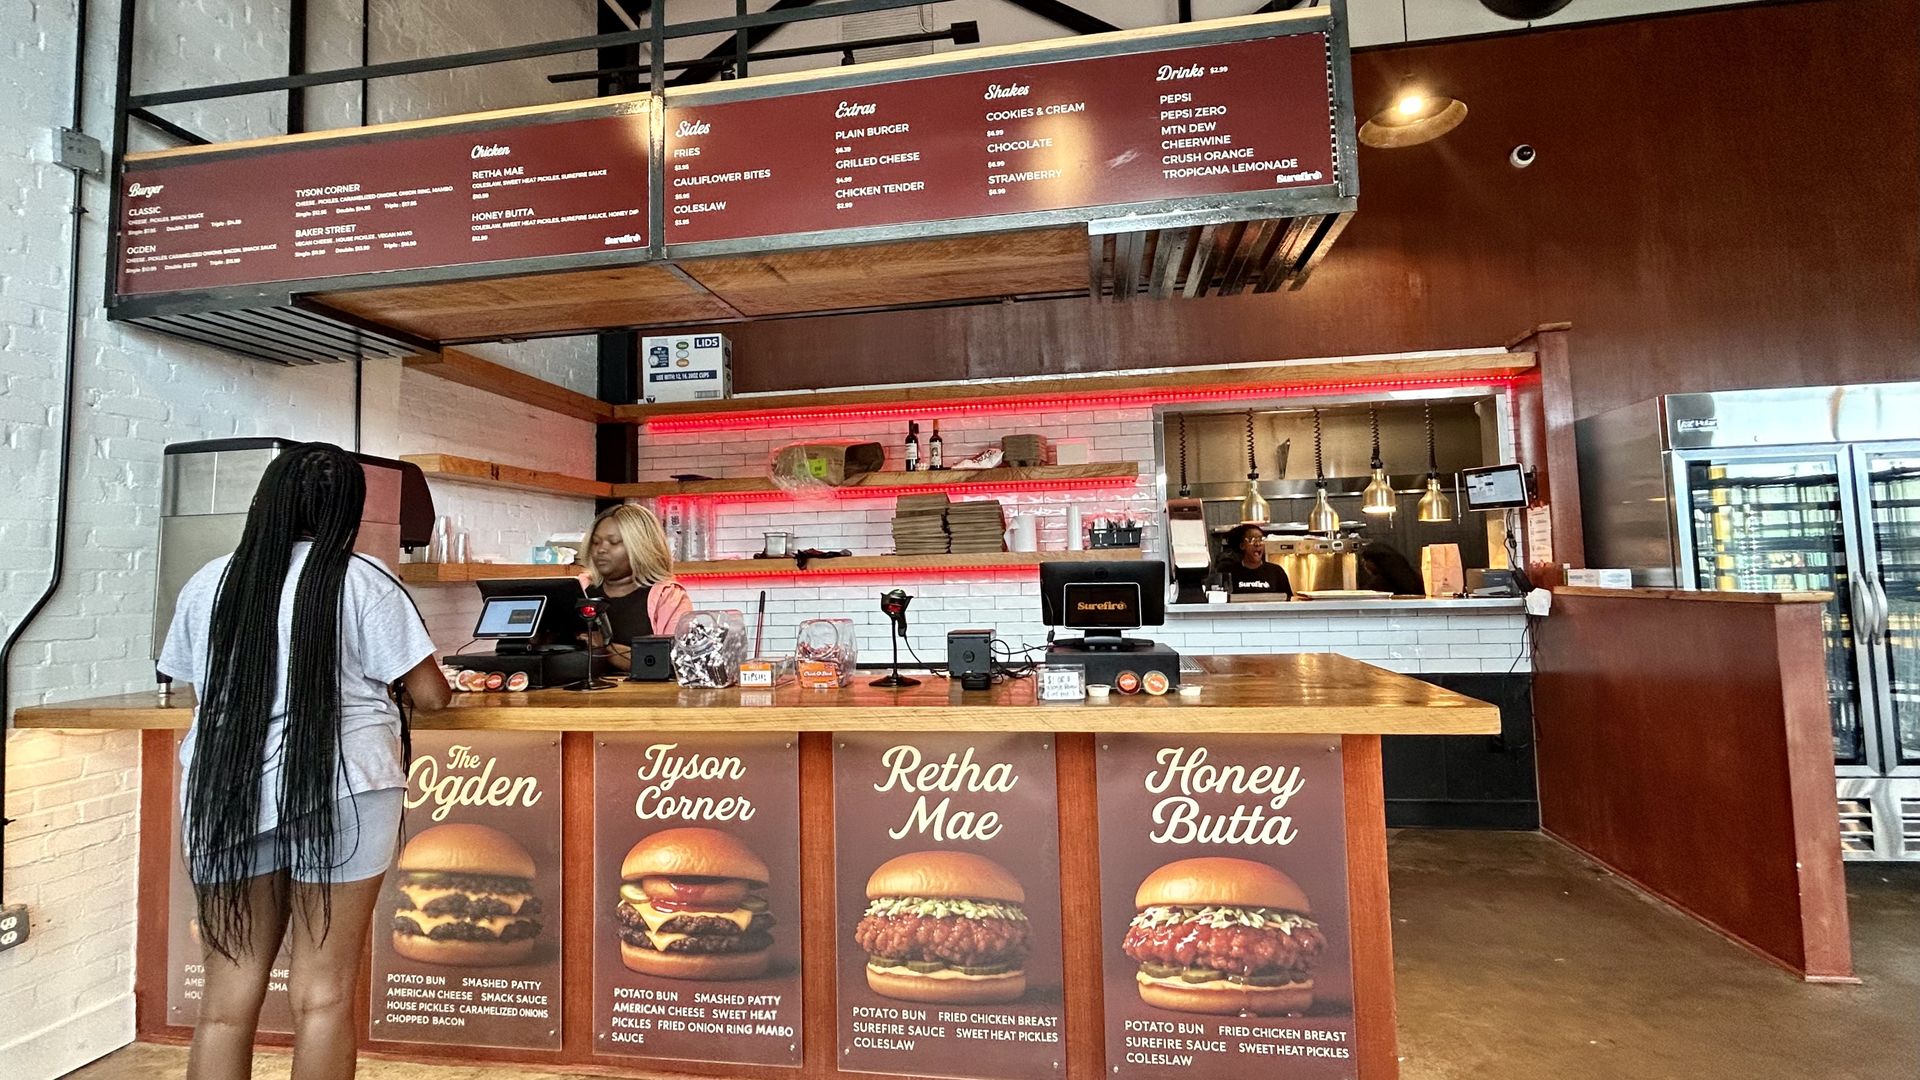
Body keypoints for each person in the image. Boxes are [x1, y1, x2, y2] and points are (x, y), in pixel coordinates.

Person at [157, 443, 450, 1080]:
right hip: (345, 787)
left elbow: (190, 682)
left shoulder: (210, 581)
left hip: (226, 791)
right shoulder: (365, 581)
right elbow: (431, 695)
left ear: (267, 502)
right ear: (348, 509)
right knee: (324, 995)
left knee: (226, 1004)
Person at [582, 504, 694, 671]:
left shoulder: (668, 596)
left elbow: (675, 662)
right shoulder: (580, 589)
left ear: (641, 546)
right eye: (596, 542)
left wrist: (605, 648)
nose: (601, 550)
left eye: (614, 542)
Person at [1218, 523, 1293, 598]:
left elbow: (1289, 601)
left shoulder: (1276, 572)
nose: (1257, 544)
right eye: (1252, 540)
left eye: (1261, 539)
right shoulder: (1229, 571)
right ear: (1242, 546)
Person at [1357, 540, 1427, 596]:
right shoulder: (1416, 579)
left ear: (1373, 562)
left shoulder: (1376, 586)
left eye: (1364, 560)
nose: (1364, 565)